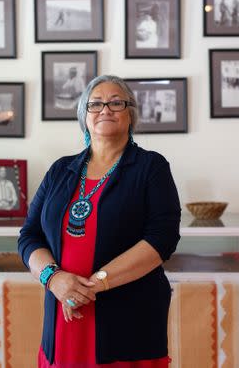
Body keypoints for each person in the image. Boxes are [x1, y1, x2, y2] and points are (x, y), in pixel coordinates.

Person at [18, 75, 181, 367]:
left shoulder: (151, 167)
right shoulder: (60, 170)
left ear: (131, 115)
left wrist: (90, 287)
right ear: (84, 116)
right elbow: (29, 236)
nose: (105, 109)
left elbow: (162, 238)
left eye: (116, 102)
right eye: (95, 104)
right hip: (64, 321)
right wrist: (52, 278)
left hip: (128, 323)